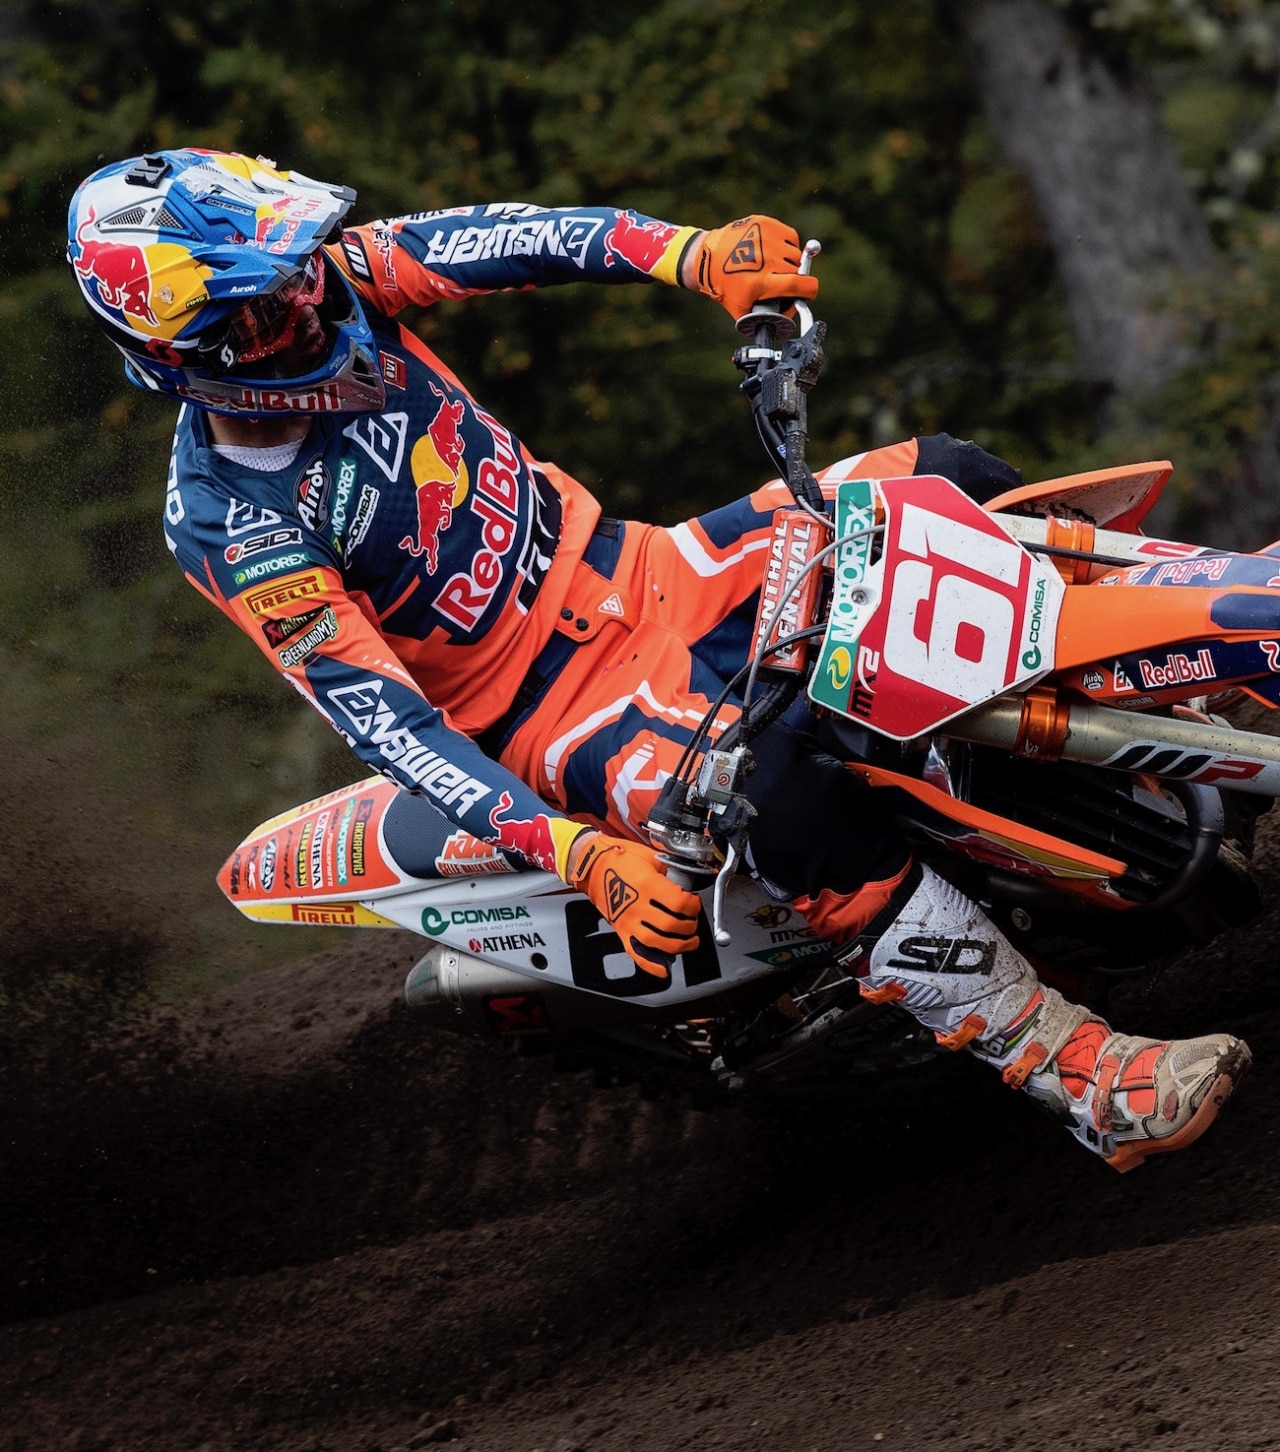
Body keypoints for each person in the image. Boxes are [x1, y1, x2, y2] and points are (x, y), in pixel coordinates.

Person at [68, 148, 1249, 1172]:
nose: (312, 307)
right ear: (188, 354)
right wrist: (581, 856)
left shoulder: (344, 283)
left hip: (651, 567)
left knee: (947, 474)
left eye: (301, 272)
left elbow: (522, 238)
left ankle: (1206, 693)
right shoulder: (234, 520)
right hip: (554, 717)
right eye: (271, 310)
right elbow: (387, 726)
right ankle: (1081, 1076)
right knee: (779, 787)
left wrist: (698, 256)